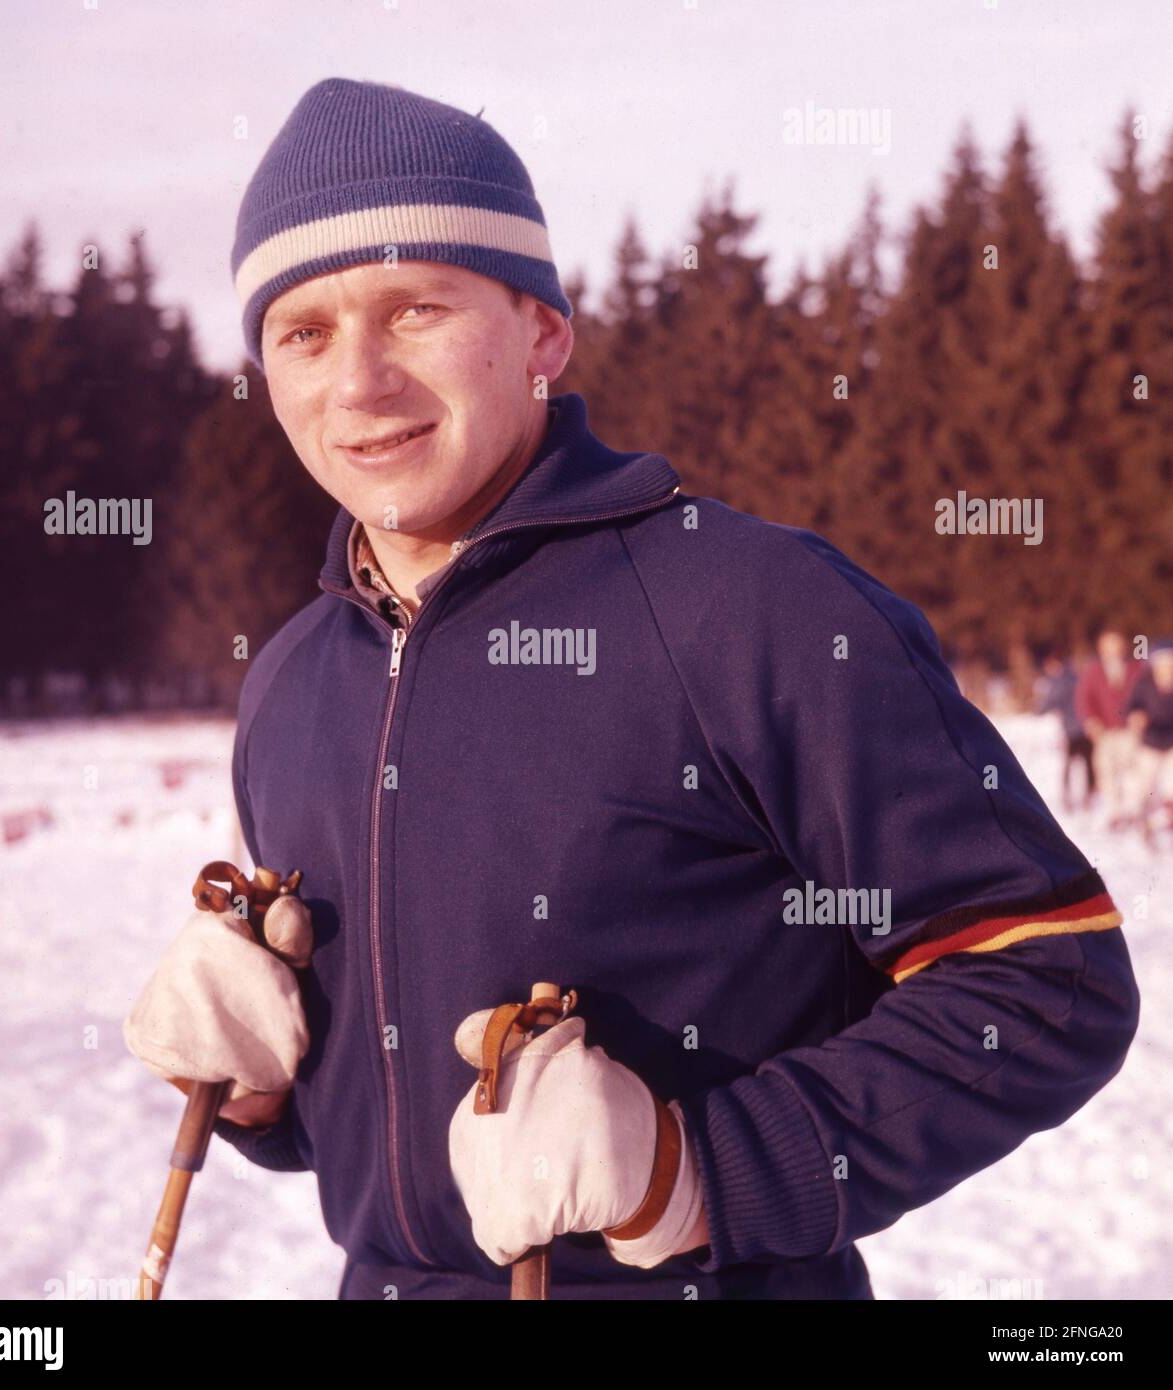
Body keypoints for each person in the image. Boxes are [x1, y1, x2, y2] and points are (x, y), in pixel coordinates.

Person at [125, 79, 1140, 1300]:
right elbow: (385, 1133)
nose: (359, 383)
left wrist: (692, 1172)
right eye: (303, 332)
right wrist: (261, 1085)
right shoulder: (289, 683)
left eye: (414, 310)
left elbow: (1044, 979)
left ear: (542, 332)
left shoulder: (751, 609)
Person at [1075, 628, 1142, 829]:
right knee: (1106, 772)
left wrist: (1140, 717)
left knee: (1132, 770)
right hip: (1105, 733)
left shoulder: (1136, 668)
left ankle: (1133, 810)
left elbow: (1143, 696)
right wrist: (1090, 721)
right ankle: (1114, 812)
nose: (1112, 651)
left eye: (1115, 645)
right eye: (1107, 646)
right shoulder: (1092, 671)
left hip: (1130, 732)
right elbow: (1083, 699)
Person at [1123, 643, 1173, 842]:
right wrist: (1136, 716)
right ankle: (1140, 820)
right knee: (1144, 787)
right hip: (1150, 743)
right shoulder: (1144, 683)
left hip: (1172, 743)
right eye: (1163, 665)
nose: (1167, 669)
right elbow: (1131, 706)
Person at [1035, 653, 1095, 810]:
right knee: (1087, 762)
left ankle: (1067, 795)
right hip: (1085, 726)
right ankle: (1089, 793)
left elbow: (1053, 700)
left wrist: (1039, 710)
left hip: (1072, 729)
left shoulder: (1061, 681)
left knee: (1069, 764)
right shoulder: (1075, 675)